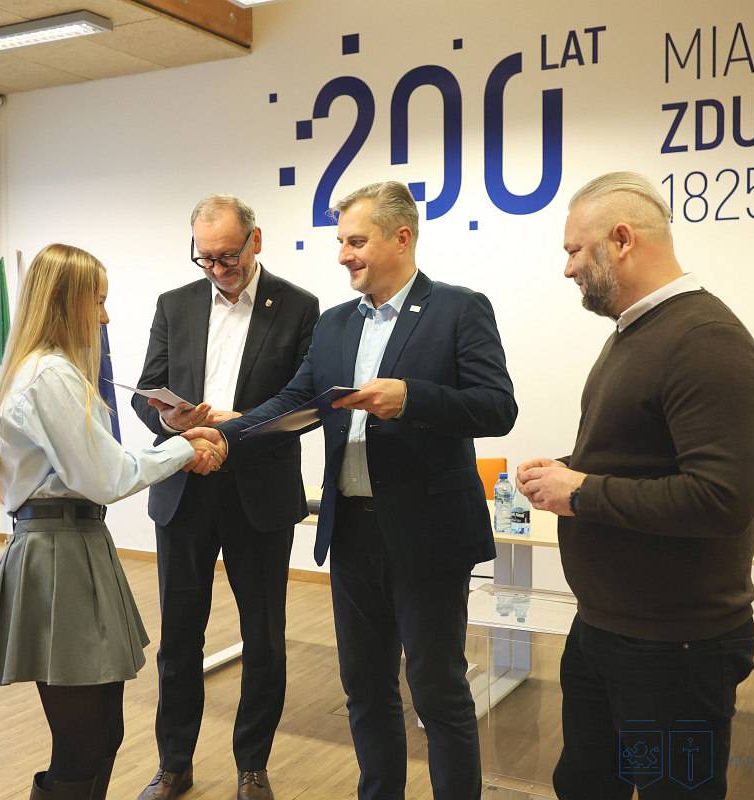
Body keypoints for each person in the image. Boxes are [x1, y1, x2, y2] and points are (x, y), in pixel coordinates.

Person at [191, 181, 517, 800]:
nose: (343, 254)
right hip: (352, 534)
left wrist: (412, 398)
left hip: (427, 537)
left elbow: (497, 407)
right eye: (341, 241)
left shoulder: (459, 309)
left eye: (356, 241)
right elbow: (297, 401)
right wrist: (227, 434)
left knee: (437, 692)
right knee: (365, 689)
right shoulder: (336, 324)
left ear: (402, 237)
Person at [517, 172, 754, 799]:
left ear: (622, 240)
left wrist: (580, 491)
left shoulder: (706, 341)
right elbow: (637, 458)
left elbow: (720, 498)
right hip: (607, 627)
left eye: (575, 250)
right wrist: (565, 471)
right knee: (585, 783)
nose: (568, 269)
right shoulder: (636, 333)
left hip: (673, 648)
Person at [0, 243, 222, 800]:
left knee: (104, 732)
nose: (105, 318)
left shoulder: (53, 372)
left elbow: (100, 468)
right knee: (82, 741)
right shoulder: (49, 375)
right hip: (57, 552)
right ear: (66, 301)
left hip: (75, 544)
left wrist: (176, 441)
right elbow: (106, 476)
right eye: (99, 301)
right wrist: (184, 446)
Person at [131, 195, 319, 800]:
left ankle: (252, 767)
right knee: (179, 639)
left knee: (263, 637)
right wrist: (172, 420)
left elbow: (306, 402)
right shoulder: (174, 304)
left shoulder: (298, 306)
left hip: (258, 491)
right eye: (205, 258)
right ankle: (174, 765)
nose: (217, 269)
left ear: (255, 241)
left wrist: (237, 427)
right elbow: (144, 392)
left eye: (228, 257)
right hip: (184, 486)